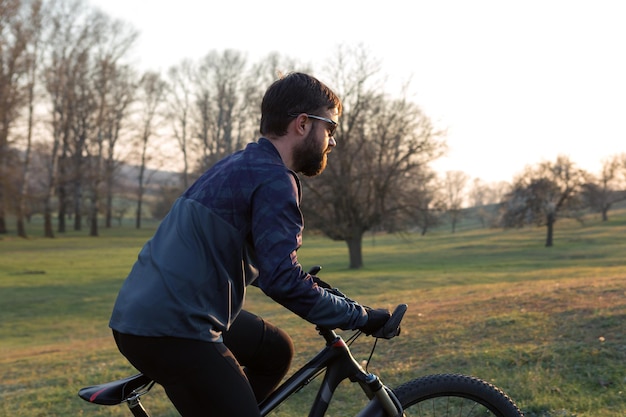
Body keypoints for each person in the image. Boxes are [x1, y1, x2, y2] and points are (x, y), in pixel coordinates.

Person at [109, 72, 391, 417]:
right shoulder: (274, 180)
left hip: (142, 314)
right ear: (302, 124)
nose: (332, 141)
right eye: (330, 128)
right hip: (174, 328)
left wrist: (313, 286)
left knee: (275, 351)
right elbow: (282, 281)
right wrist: (360, 316)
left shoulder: (239, 165)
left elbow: (243, 254)